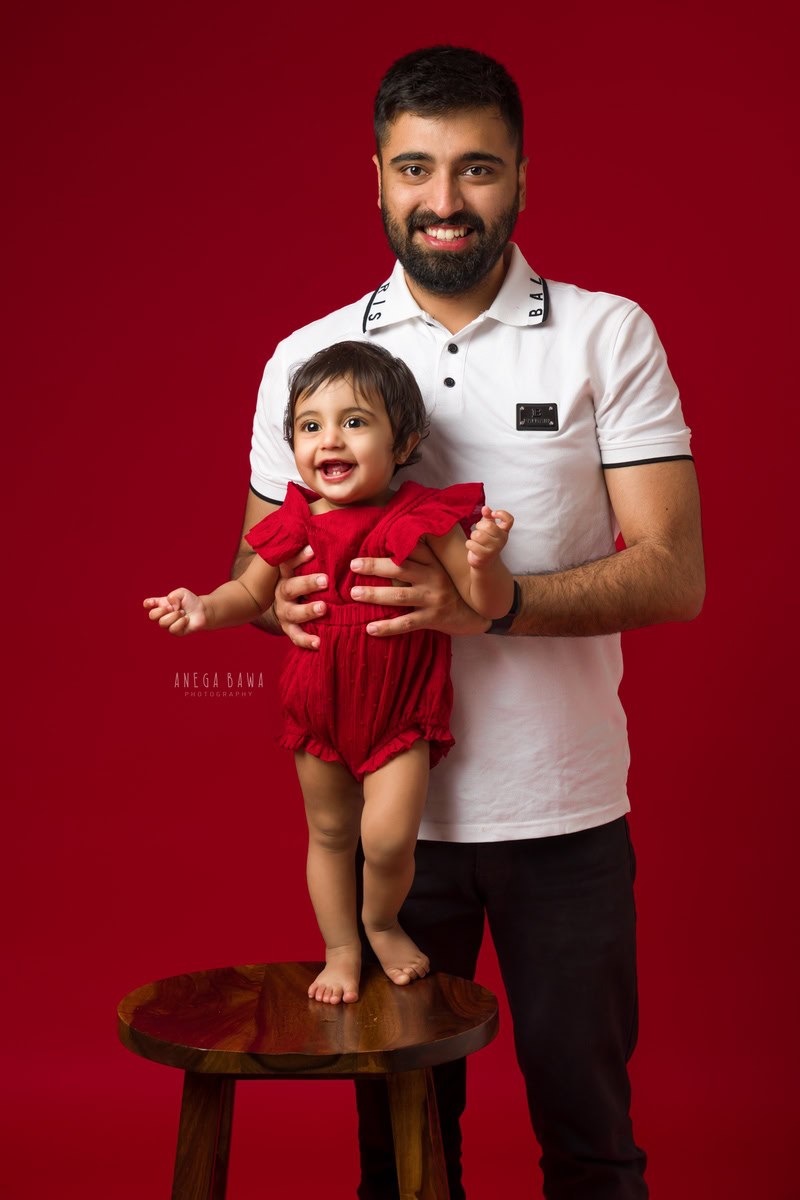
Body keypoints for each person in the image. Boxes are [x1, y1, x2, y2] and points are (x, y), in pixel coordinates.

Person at [233, 45, 705, 1199]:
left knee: (590, 1143)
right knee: (398, 1158)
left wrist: (493, 607)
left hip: (562, 814)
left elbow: (673, 574)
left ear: (521, 177)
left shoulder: (604, 334)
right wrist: (268, 603)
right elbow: (260, 568)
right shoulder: (306, 358)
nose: (443, 200)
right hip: (384, 818)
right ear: (376, 178)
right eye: (415, 169)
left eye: (476, 169)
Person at [144, 339, 515, 1004]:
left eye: (355, 421)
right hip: (317, 707)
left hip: (399, 711)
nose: (329, 439)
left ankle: (381, 923)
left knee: (389, 839)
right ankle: (340, 949)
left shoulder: (424, 517)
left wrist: (486, 562)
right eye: (310, 425)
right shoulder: (292, 522)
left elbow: (486, 606)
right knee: (331, 833)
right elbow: (249, 593)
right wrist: (203, 608)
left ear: (404, 442)